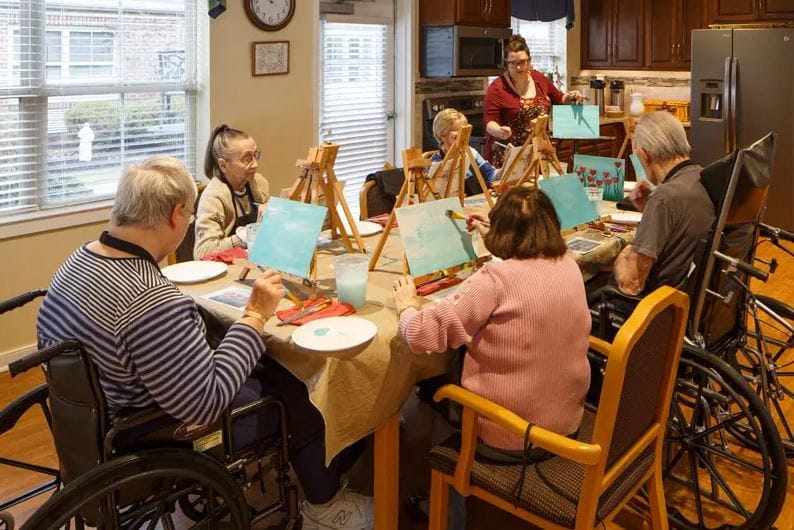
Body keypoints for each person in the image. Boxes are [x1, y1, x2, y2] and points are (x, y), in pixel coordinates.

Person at [36, 157, 373, 530]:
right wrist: (255, 316)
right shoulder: (150, 299)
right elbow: (206, 403)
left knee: (261, 360)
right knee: (306, 393)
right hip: (153, 431)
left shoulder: (78, 259)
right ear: (175, 215)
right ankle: (325, 508)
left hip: (99, 418)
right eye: (190, 216)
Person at [392, 186, 591, 528]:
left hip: (511, 435)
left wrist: (407, 307)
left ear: (502, 233)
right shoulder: (568, 265)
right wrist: (498, 235)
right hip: (566, 421)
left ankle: (451, 509)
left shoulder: (495, 279)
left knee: (434, 391)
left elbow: (424, 334)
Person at [612, 111, 716, 296]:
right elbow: (680, 229)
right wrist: (649, 207)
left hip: (661, 307)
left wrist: (623, 254)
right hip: (692, 297)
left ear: (645, 155)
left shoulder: (664, 198)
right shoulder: (700, 176)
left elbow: (631, 284)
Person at [483, 34, 584, 167]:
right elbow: (489, 122)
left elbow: (559, 98)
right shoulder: (497, 88)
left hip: (538, 152)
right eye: (513, 63)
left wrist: (570, 96)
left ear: (529, 61)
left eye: (522, 62)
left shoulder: (539, 79)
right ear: (506, 63)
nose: (518, 67)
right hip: (508, 155)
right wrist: (499, 131)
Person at [194, 124, 270, 259]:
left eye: (255, 155)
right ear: (223, 165)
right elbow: (202, 252)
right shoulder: (214, 197)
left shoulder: (259, 184)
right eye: (247, 159)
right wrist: (245, 236)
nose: (255, 164)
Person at [430, 108, 498, 196]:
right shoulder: (436, 163)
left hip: (475, 202)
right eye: (455, 132)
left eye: (463, 132)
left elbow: (491, 176)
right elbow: (433, 197)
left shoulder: (470, 153)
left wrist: (506, 164)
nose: (461, 137)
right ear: (443, 135)